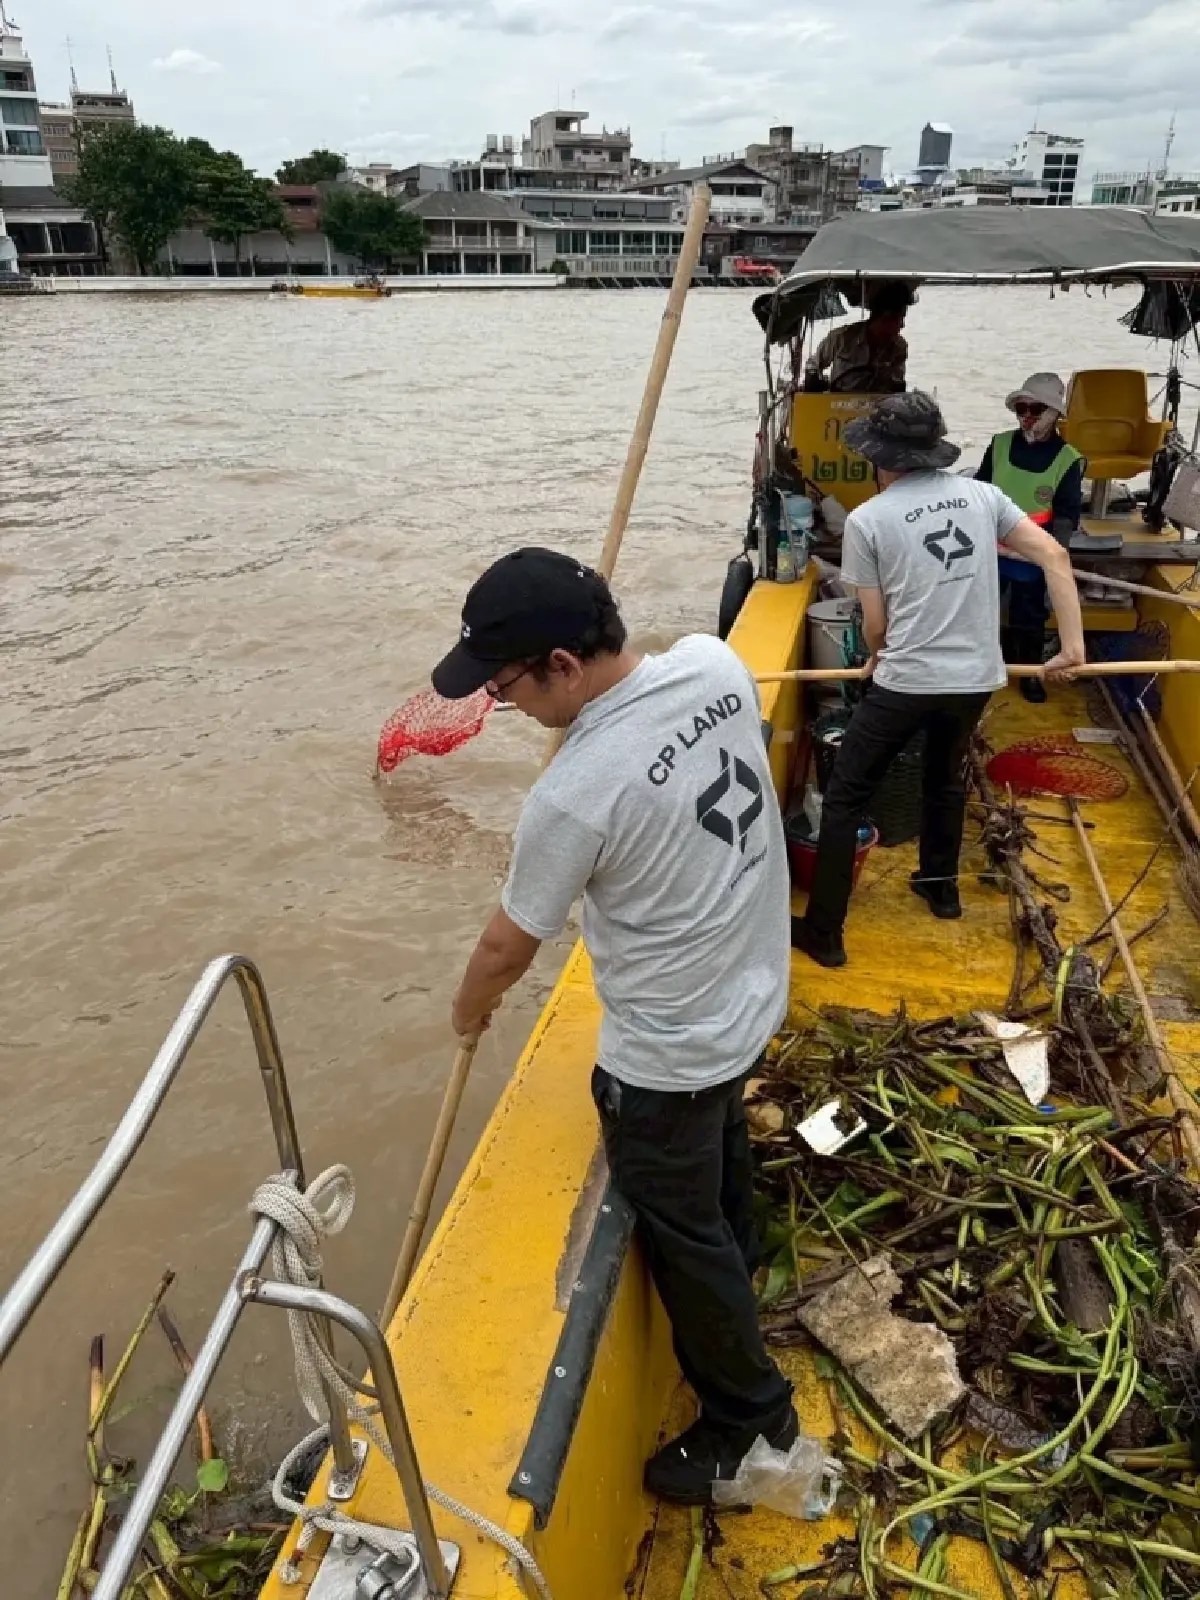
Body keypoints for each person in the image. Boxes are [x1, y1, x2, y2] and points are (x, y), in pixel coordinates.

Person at [433, 547, 796, 1504]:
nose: (502, 705)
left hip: (669, 1051)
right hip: (752, 996)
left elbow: (508, 949)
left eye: (507, 686)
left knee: (681, 1225)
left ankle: (753, 1424)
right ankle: (750, 1244)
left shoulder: (573, 794)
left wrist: (465, 1015)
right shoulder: (714, 666)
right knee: (717, 1141)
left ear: (560, 663)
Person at [791, 392, 1086, 970]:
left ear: (880, 459)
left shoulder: (868, 520)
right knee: (945, 780)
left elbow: (874, 625)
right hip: (976, 677)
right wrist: (1072, 645)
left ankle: (824, 931)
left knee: (848, 793)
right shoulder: (983, 496)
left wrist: (875, 658)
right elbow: (1054, 556)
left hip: (907, 681)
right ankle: (940, 887)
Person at [976, 373, 1084, 704]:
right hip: (990, 549)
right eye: (1022, 408)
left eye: (1036, 408)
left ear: (1055, 414)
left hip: (1032, 555)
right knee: (982, 610)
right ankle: (983, 669)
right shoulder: (999, 444)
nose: (1028, 416)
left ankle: (1031, 674)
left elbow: (1066, 516)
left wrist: (1052, 555)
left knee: (1030, 614)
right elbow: (978, 491)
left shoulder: (1068, 459)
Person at [804, 283, 911, 394]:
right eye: (899, 320)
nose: (902, 325)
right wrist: (814, 379)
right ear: (885, 319)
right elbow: (814, 364)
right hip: (839, 403)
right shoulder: (841, 338)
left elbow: (897, 385)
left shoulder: (899, 347)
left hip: (879, 405)